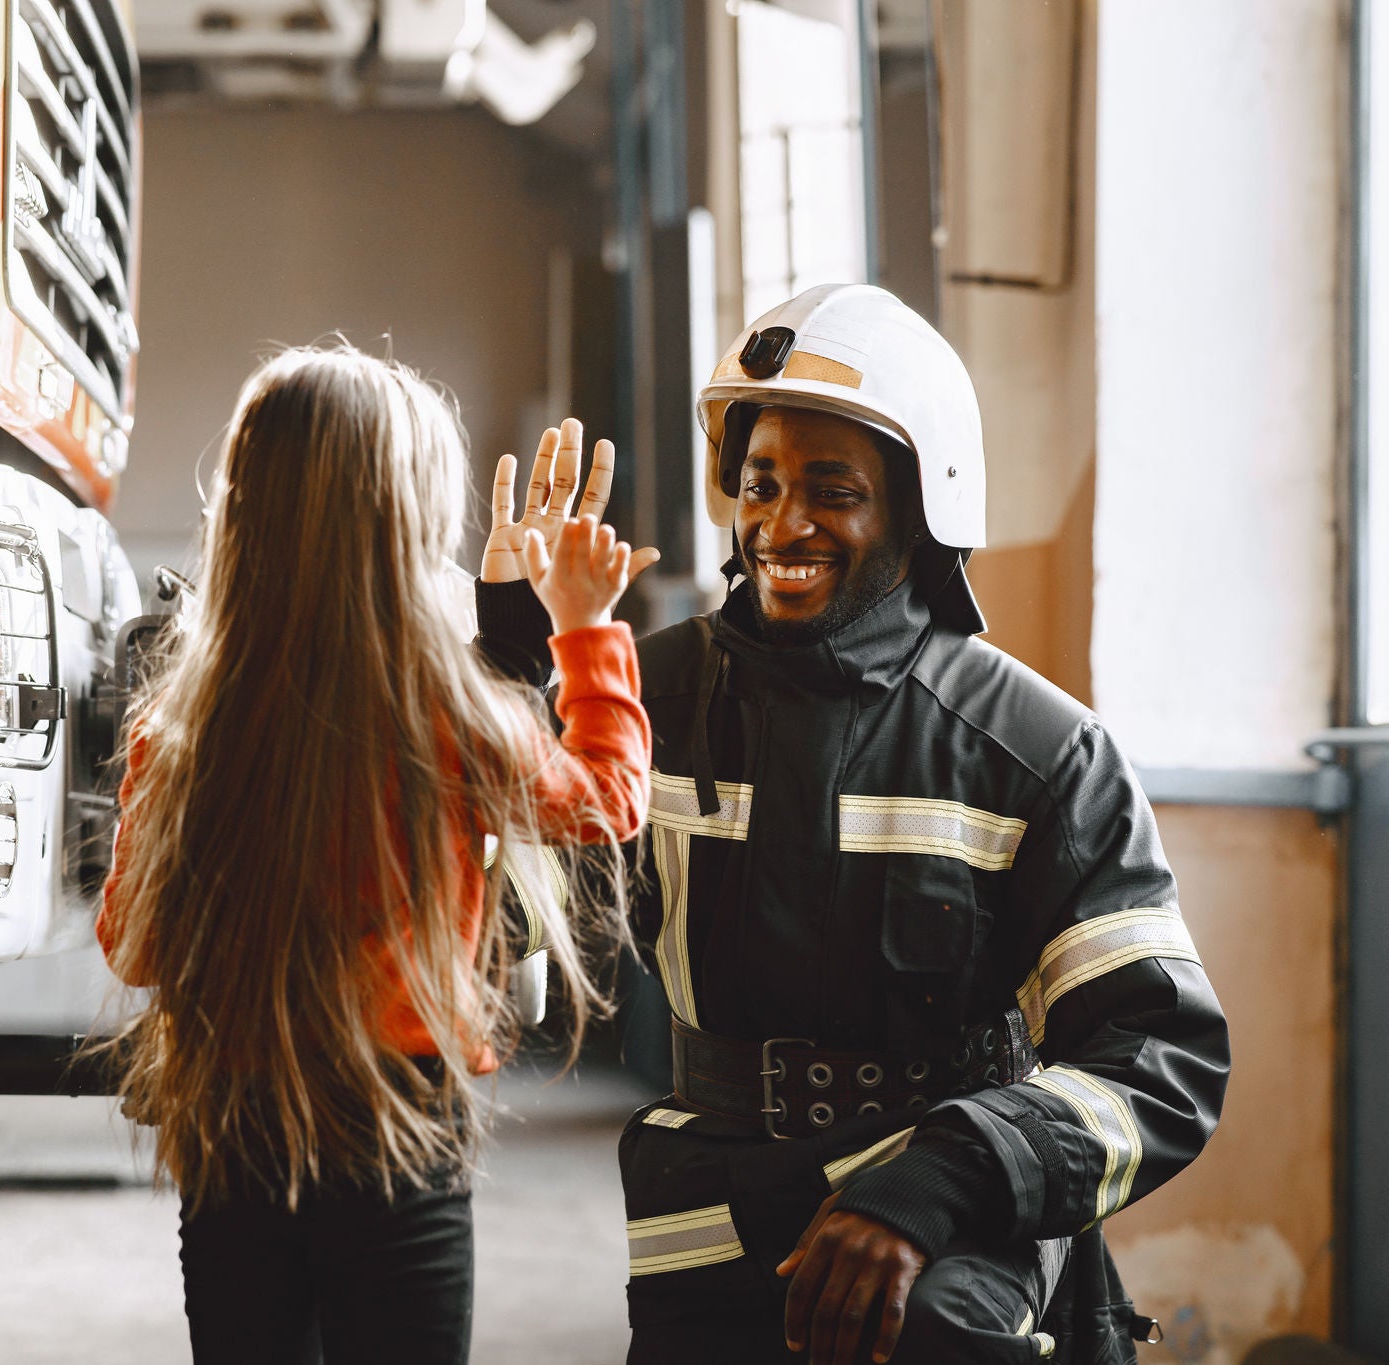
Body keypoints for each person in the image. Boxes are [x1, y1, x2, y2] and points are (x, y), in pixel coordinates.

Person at [476, 284, 1231, 1364]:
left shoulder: (1034, 752)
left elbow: (1157, 1055)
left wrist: (937, 1183)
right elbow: (506, 894)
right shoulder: (652, 703)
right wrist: (520, 640)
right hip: (710, 1229)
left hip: (953, 1239)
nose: (781, 523)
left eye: (831, 490)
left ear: (921, 507)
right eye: (759, 484)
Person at [97, 345, 652, 1365]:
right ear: (406, 529)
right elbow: (610, 800)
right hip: (400, 1125)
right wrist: (584, 632)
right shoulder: (443, 715)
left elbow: (132, 948)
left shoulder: (178, 726)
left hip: (231, 1130)